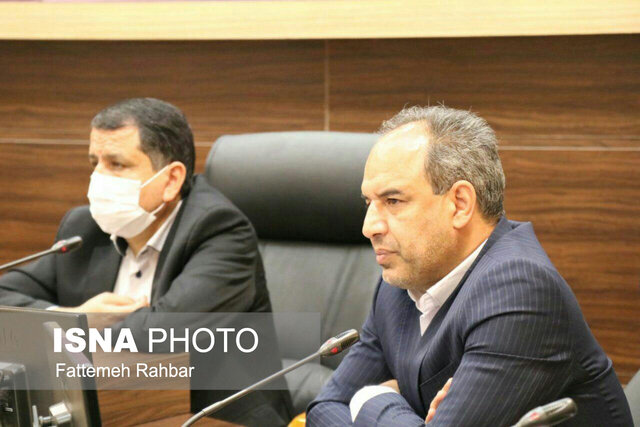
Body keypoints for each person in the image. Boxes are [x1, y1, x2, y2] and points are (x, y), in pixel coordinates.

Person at [307, 106, 633, 426]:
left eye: (393, 201)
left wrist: (374, 398)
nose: (369, 227)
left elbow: (351, 401)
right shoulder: (401, 281)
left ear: (460, 204)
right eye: (369, 203)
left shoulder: (520, 290)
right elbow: (325, 408)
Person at [0, 98, 292, 426]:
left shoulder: (220, 230)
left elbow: (164, 331)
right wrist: (76, 317)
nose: (98, 178)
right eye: (95, 163)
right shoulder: (85, 229)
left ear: (171, 180)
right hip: (118, 412)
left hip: (214, 417)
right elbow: (4, 299)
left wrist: (72, 333)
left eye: (117, 164)